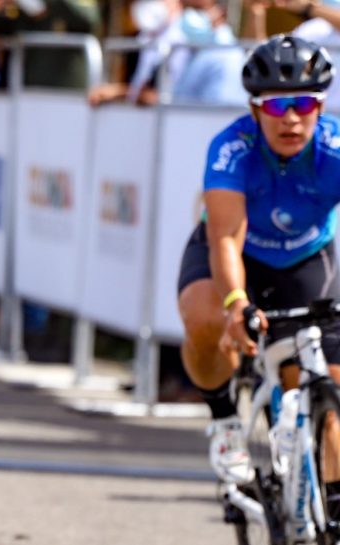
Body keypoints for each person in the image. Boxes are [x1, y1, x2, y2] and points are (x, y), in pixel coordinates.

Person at [176, 35, 340, 492]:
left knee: (326, 384)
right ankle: (225, 420)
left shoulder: (335, 150)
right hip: (234, 253)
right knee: (206, 319)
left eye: (303, 104)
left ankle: (328, 510)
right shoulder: (232, 149)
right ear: (254, 111)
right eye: (275, 107)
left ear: (320, 107)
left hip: (306, 260)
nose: (290, 118)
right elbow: (226, 236)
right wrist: (235, 302)